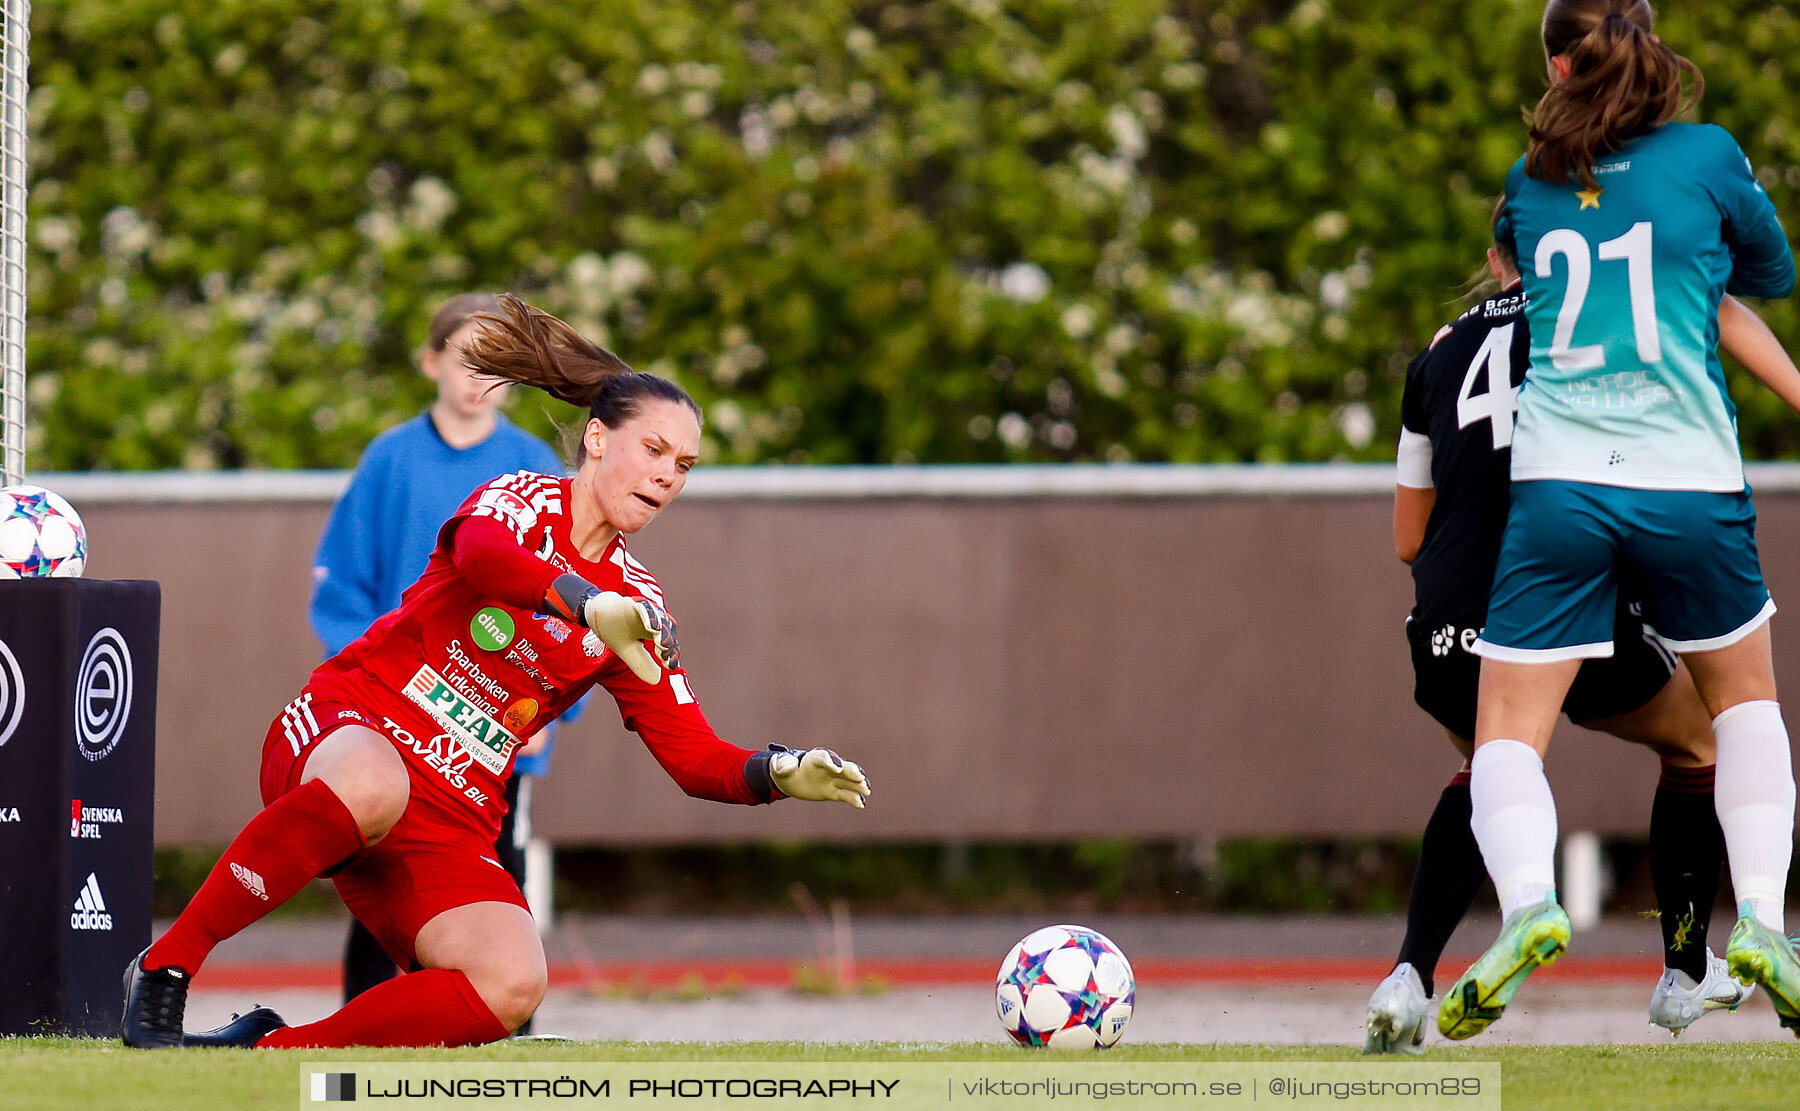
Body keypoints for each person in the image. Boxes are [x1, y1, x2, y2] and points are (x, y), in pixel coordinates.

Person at [120, 294, 872, 1049]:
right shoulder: (521, 495)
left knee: (513, 983)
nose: (668, 475)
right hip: (352, 729)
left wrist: (778, 770)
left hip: (450, 813)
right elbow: (484, 556)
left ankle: (268, 1051)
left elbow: (693, 757)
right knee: (377, 783)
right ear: (600, 438)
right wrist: (581, 601)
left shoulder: (641, 603)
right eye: (654, 450)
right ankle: (164, 969)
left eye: (684, 465)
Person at [1437, 0, 1799, 1042]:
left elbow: (1517, 278)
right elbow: (1761, 275)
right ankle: (1766, 921)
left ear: (1556, 62)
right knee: (1742, 710)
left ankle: (1527, 907)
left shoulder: (1529, 182)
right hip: (1688, 477)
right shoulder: (1711, 155)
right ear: (1650, 45)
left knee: (1507, 729)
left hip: (1560, 492)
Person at [1364, 225, 1800, 1052]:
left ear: (1494, 259)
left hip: (1449, 619)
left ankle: (1408, 978)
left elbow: (1407, 538)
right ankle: (1684, 969)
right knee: (1703, 737)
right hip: (1560, 591)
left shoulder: (1438, 354)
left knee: (1490, 762)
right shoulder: (1596, 317)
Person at [308, 292, 579, 1017]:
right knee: (387, 867)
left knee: (497, 868)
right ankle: (361, 1019)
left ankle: (504, 1020)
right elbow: (343, 590)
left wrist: (553, 704)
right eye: (465, 358)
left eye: (496, 364)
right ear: (432, 361)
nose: (477, 378)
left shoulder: (532, 465)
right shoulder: (390, 459)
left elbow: (574, 596)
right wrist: (373, 685)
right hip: (401, 712)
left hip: (497, 715)